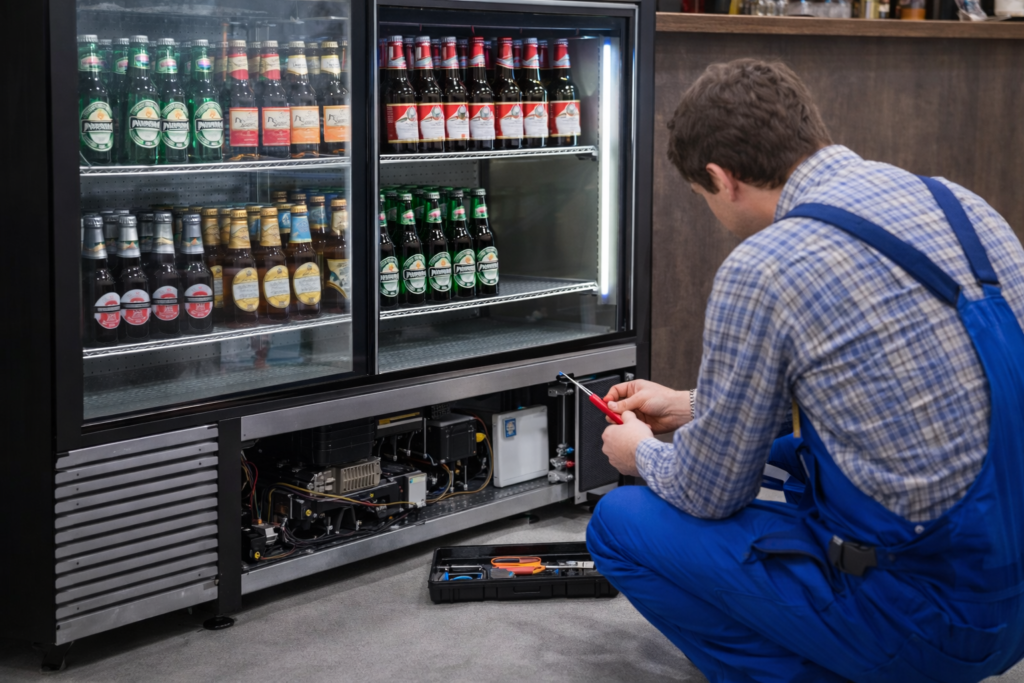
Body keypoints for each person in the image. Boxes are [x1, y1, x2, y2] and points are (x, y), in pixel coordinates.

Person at [586, 58, 1024, 683]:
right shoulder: (961, 205)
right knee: (791, 456)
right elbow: (888, 387)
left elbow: (710, 494)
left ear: (721, 179)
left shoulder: (764, 266)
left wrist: (640, 454)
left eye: (703, 197)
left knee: (619, 524)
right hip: (1010, 583)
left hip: (932, 619)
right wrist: (690, 406)